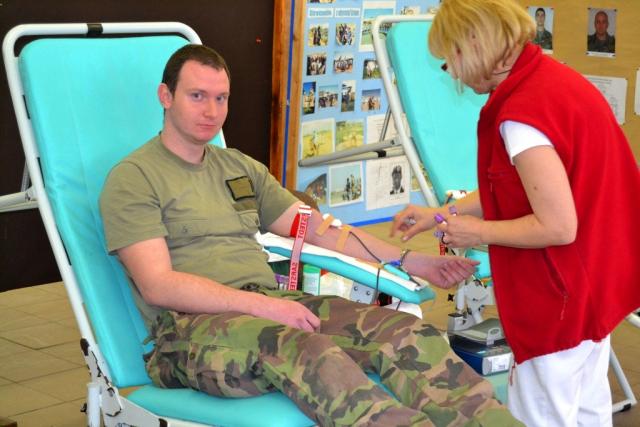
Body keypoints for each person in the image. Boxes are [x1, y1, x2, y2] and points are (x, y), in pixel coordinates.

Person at [100, 44, 522, 426]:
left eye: (221, 98)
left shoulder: (238, 167)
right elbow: (158, 285)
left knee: (408, 334)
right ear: (166, 96)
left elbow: (320, 232)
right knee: (310, 352)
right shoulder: (134, 179)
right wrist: (265, 307)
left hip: (269, 306)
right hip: (188, 333)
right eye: (197, 96)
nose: (211, 110)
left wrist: (412, 261)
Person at [391, 1, 640, 426]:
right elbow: (511, 188)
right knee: (587, 411)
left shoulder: (521, 116)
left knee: (542, 415)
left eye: (450, 61)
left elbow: (558, 226)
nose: (453, 74)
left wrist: (477, 233)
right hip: (596, 283)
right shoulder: (554, 80)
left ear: (473, 44)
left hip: (559, 297)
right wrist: (441, 214)